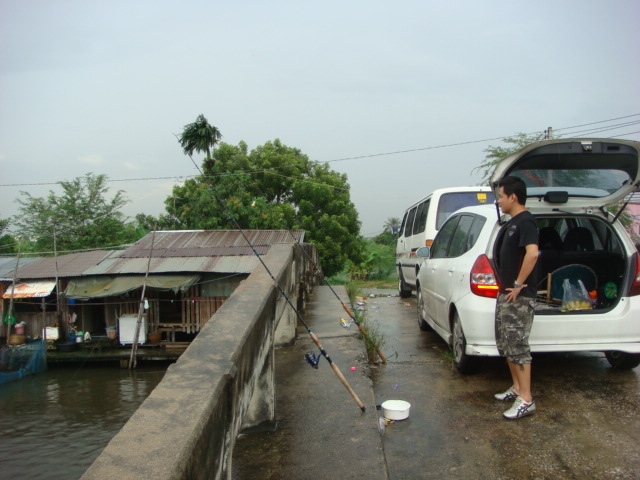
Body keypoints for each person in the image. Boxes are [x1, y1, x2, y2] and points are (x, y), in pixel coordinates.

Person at [493, 176, 539, 419]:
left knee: (518, 346)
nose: (498, 201)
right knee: (507, 344)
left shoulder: (526, 222)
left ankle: (526, 399)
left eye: (501, 196)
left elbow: (532, 254)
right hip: (506, 295)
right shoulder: (513, 223)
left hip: (519, 297)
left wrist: (519, 285)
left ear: (513, 197)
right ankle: (517, 388)